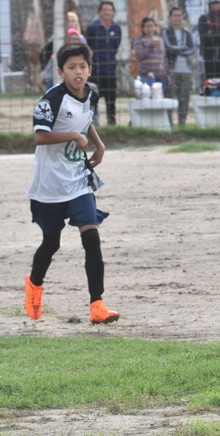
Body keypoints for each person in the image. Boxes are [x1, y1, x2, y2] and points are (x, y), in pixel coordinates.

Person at [24, 43, 119, 325]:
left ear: (90, 69)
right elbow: (40, 136)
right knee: (51, 243)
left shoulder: (91, 94)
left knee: (91, 238)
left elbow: (85, 121)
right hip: (50, 185)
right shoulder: (51, 99)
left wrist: (99, 144)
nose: (78, 72)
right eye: (71, 67)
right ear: (61, 71)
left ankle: (97, 305)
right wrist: (72, 136)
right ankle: (34, 285)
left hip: (78, 180)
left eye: (82, 67)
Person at [85, 1, 121, 125]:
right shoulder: (92, 28)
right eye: (104, 10)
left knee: (111, 98)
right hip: (96, 69)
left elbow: (116, 46)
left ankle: (111, 123)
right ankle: (92, 123)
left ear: (113, 12)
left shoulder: (116, 28)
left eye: (109, 10)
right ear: (100, 12)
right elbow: (88, 46)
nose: (106, 12)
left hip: (111, 69)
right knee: (93, 96)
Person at [162, 6, 196, 127]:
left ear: (183, 17)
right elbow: (168, 48)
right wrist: (183, 49)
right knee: (170, 98)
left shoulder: (186, 33)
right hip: (171, 70)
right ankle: (169, 124)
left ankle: (182, 124)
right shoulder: (165, 32)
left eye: (179, 15)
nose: (177, 18)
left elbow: (192, 49)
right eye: (175, 15)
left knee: (184, 98)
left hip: (186, 70)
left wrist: (179, 50)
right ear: (170, 17)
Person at [133, 17, 168, 95]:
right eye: (147, 26)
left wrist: (167, 73)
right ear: (143, 28)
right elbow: (139, 56)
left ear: (155, 27)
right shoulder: (139, 40)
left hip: (161, 75)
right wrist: (151, 46)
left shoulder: (160, 39)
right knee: (147, 97)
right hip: (146, 75)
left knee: (160, 98)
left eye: (152, 26)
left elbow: (164, 57)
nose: (150, 29)